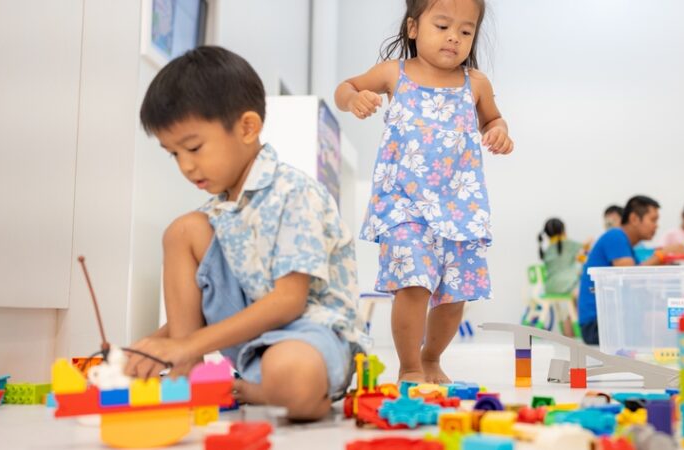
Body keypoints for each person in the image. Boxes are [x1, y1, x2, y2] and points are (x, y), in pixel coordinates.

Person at [124, 47, 367, 421]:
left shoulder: (295, 192)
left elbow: (289, 302)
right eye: (174, 154)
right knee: (183, 230)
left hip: (310, 334)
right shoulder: (217, 214)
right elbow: (206, 304)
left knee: (292, 376)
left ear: (247, 127)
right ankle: (186, 374)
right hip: (253, 337)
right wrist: (160, 344)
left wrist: (185, 343)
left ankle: (256, 387)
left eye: (193, 147)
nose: (186, 166)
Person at [335, 0, 513, 384]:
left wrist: (498, 131)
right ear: (413, 28)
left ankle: (431, 358)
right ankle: (410, 367)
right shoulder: (393, 74)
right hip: (403, 204)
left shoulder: (476, 83)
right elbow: (345, 87)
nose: (454, 37)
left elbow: (493, 119)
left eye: (466, 31)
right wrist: (353, 99)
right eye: (443, 26)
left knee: (454, 297)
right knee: (413, 283)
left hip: (460, 207)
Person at [577, 196, 684, 345]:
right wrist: (663, 254)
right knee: (666, 328)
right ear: (634, 218)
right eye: (653, 220)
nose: (656, 226)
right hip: (597, 326)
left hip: (606, 323)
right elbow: (630, 277)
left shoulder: (628, 247)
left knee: (670, 322)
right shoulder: (615, 236)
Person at [538, 218, 583, 336]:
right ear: (563, 230)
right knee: (581, 295)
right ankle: (573, 331)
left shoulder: (547, 249)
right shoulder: (569, 245)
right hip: (567, 285)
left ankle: (568, 330)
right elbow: (585, 247)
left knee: (572, 305)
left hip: (550, 287)